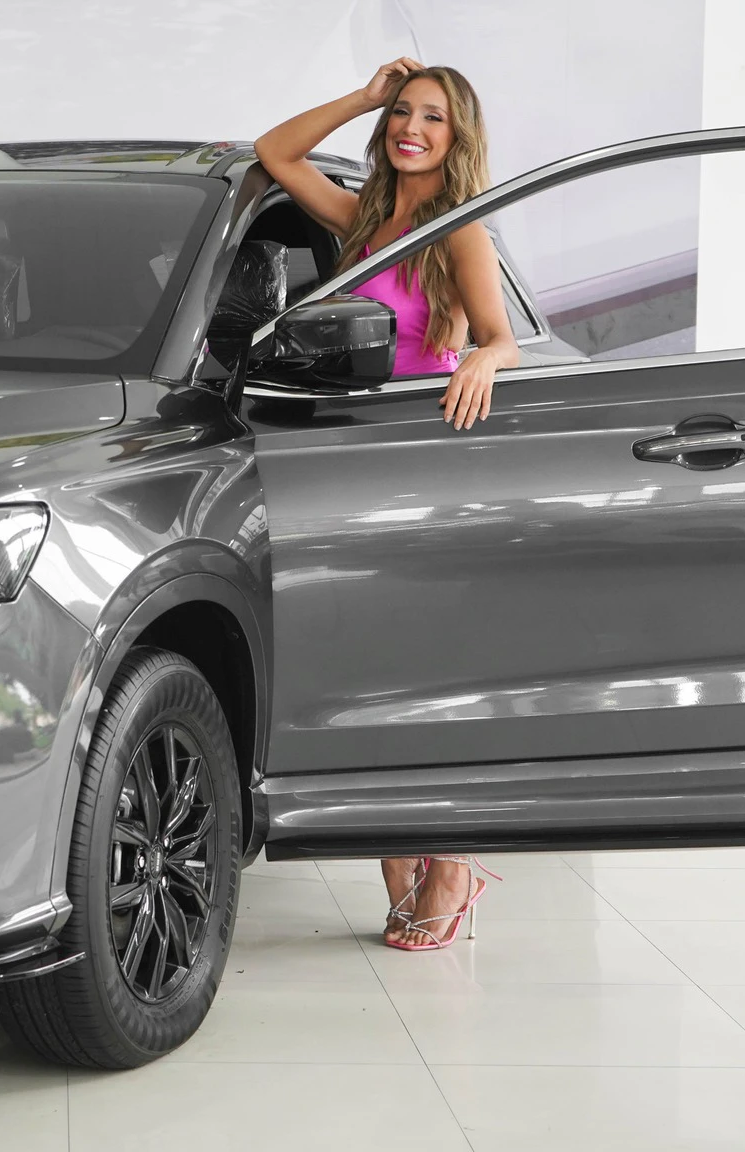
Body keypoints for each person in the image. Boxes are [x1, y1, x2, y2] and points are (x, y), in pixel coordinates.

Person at [256, 59, 520, 951]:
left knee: (427, 670)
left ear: (458, 135)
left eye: (432, 117)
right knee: (369, 669)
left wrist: (482, 358)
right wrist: (362, 97)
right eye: (402, 112)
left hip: (426, 462)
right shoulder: (366, 222)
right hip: (353, 463)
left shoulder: (458, 229)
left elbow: (502, 338)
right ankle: (398, 840)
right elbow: (276, 153)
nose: (412, 128)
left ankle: (452, 859)